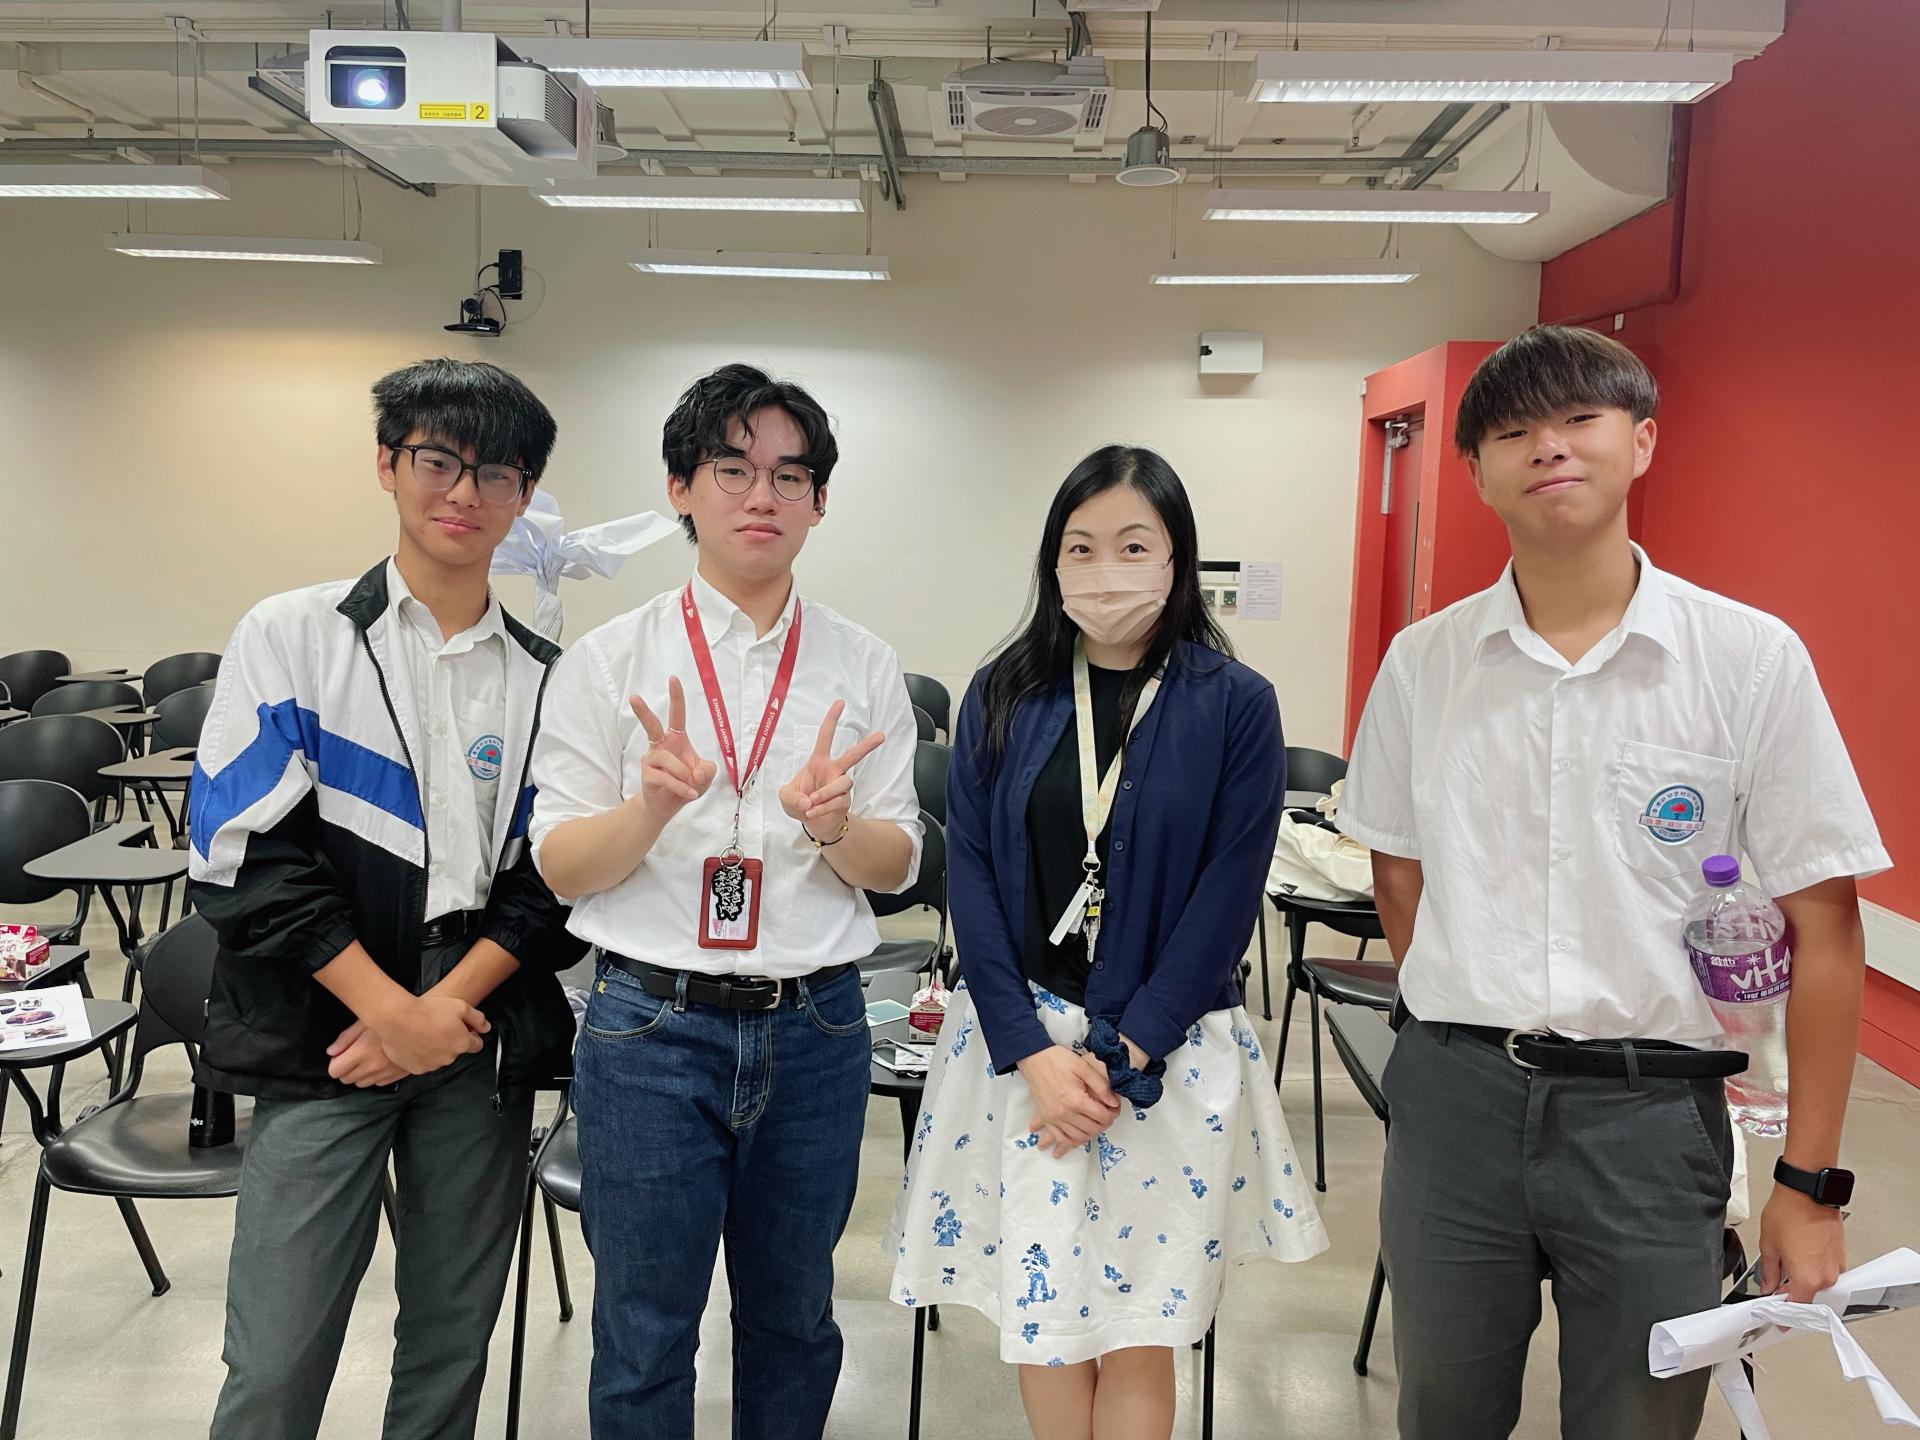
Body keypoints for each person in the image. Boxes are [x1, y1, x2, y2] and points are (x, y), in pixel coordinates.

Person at [1340, 325, 1889, 1440]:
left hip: (1652, 1115)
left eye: (1579, 419)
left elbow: (1827, 928)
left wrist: (1809, 1183)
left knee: (1639, 1420)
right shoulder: (1425, 663)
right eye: (1513, 432)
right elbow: (1399, 868)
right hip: (1455, 1106)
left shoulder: (1747, 660)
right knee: (1442, 1412)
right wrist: (1469, 1001)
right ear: (1475, 470)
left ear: (1641, 442)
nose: (1549, 448)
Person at [889, 445, 1327, 1440]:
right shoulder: (1004, 690)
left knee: (1139, 1328)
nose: (1105, 568)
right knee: (1046, 1325)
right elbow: (974, 883)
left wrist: (1126, 1048)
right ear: (1053, 562)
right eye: (1080, 547)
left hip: (1166, 1054)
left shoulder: (1236, 703)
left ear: (1177, 558)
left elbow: (1229, 894)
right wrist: (1035, 1056)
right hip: (1021, 1054)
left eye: (1134, 545)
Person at [188, 357, 587, 1440]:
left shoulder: (548, 677)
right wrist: (388, 1012)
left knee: (452, 1343)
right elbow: (242, 857)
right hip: (327, 1027)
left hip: (476, 1026)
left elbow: (548, 885)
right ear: (387, 464)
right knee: (275, 1356)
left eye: (496, 473)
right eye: (437, 461)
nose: (464, 493)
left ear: (525, 495)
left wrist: (437, 1011)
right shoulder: (294, 634)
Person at [529, 363, 923, 1440]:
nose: (763, 496)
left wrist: (834, 827)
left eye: (791, 476)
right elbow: (562, 866)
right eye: (733, 470)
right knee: (644, 1334)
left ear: (819, 501)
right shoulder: (608, 661)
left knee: (794, 1322)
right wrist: (651, 809)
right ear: (681, 488)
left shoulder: (863, 663)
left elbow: (896, 866)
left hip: (816, 1027)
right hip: (648, 1029)